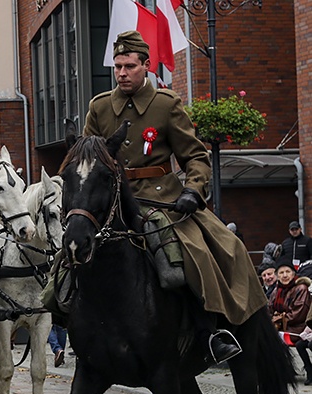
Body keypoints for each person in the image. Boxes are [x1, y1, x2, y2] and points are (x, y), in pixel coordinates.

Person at [82, 29, 261, 364]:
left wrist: (194, 190)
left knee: (202, 251)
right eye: (117, 66)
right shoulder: (100, 108)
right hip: (114, 204)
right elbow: (86, 159)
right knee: (71, 253)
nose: (121, 72)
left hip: (162, 200)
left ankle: (211, 331)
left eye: (129, 66)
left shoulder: (166, 105)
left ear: (146, 66)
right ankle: (65, 318)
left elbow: (195, 157)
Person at [268, 257, 310, 334]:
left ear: (293, 273)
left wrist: (280, 319)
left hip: (296, 329)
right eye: (281, 272)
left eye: (288, 271)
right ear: (277, 276)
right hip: (279, 327)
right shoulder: (276, 290)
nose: (285, 275)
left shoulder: (301, 288)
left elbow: (297, 315)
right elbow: (270, 309)